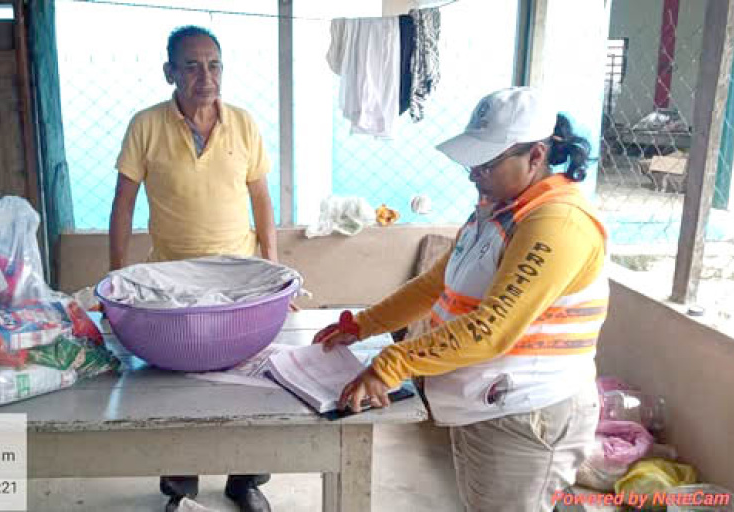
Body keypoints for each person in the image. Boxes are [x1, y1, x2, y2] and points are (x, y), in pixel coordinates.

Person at [314, 87, 607, 512]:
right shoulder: (500, 209)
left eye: (486, 164)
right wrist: (363, 325)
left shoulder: (558, 223)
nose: (473, 175)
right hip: (485, 405)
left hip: (527, 413)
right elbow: (437, 283)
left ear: (536, 156)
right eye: (472, 162)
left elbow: (492, 329)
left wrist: (392, 363)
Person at [109, 25, 276, 512]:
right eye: (192, 66)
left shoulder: (244, 124)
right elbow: (123, 205)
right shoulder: (145, 126)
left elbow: (261, 199)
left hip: (240, 281)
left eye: (214, 65)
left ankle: (245, 480)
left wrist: (274, 267)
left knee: (249, 383)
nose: (206, 77)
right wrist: (116, 280)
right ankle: (181, 489)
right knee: (175, 390)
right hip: (172, 284)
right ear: (170, 73)